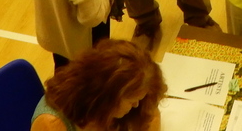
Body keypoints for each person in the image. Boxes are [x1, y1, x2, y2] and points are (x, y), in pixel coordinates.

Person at [30, 39, 165, 131]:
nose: (136, 105)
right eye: (132, 101)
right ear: (108, 97)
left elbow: (151, 115)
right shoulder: (51, 125)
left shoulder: (118, 104)